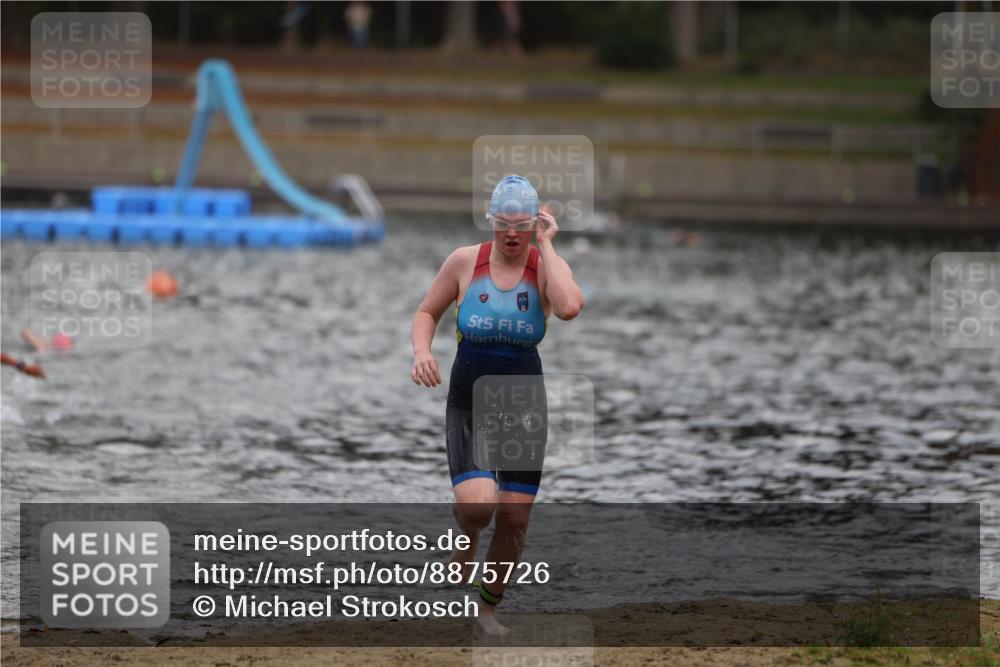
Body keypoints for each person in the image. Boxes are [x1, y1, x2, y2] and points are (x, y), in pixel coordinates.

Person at [411, 175, 584, 634]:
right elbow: (427, 312)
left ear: (535, 224)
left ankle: (486, 611)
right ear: (490, 222)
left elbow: (568, 308)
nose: (511, 234)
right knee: (477, 509)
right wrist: (422, 351)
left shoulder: (546, 267)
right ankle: (466, 537)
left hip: (523, 406)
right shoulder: (466, 262)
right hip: (469, 401)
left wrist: (547, 246)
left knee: (512, 516)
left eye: (522, 225)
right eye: (503, 224)